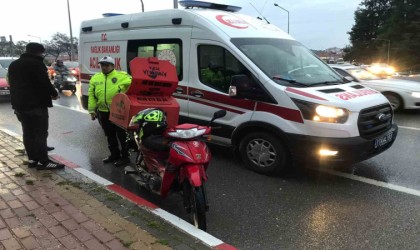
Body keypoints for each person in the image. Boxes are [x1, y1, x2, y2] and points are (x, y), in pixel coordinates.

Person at [7, 42, 64, 170]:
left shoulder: (14, 65)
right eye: (42, 52)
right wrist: (54, 94)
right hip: (36, 104)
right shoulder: (36, 64)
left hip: (19, 105)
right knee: (40, 133)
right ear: (38, 52)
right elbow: (44, 82)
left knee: (28, 132)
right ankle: (43, 162)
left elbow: (12, 84)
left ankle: (32, 159)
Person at [88, 56, 132, 167]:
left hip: (118, 112)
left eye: (107, 65)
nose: (104, 67)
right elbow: (92, 95)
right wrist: (92, 110)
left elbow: (134, 86)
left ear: (113, 66)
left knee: (122, 136)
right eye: (102, 65)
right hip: (103, 112)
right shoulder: (96, 78)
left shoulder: (123, 76)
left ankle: (125, 157)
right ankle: (114, 155)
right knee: (109, 135)